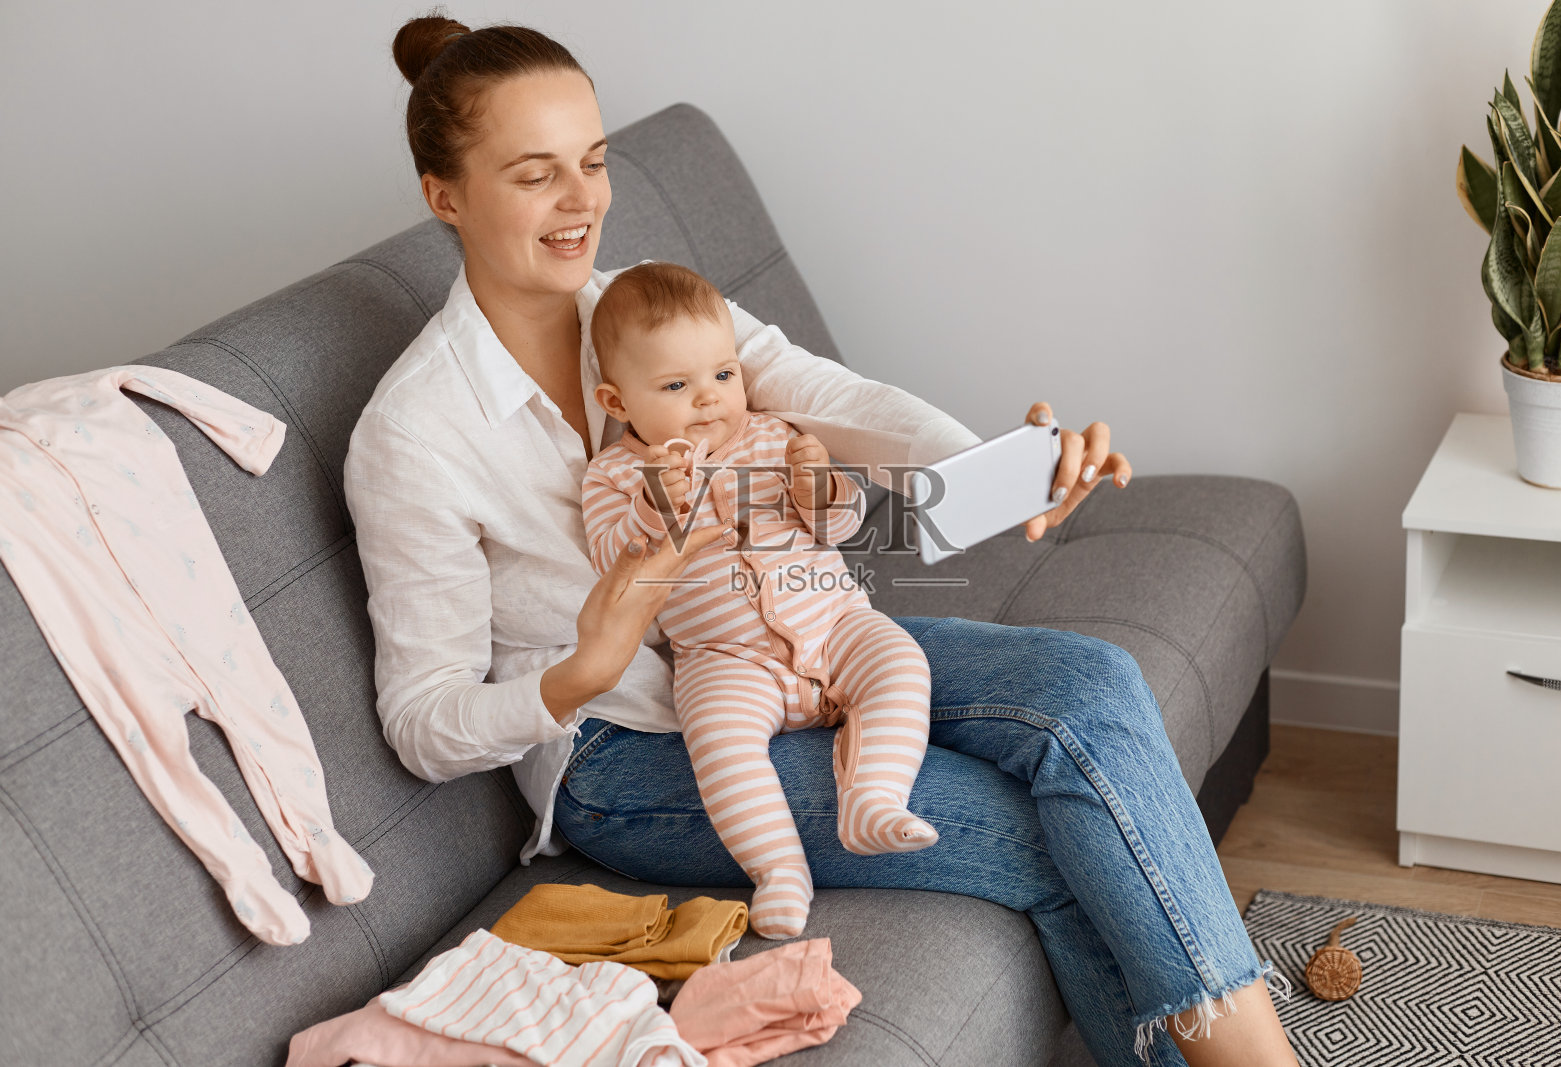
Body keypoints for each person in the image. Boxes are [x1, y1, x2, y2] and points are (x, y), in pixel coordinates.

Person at [343, 14, 1300, 1067]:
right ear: (445, 196)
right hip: (630, 752)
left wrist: (1005, 472)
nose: (583, 202)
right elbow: (422, 722)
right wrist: (583, 669)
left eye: (595, 161)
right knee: (1045, 832)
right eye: (537, 175)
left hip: (799, 640)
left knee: (1088, 681)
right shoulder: (414, 434)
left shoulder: (644, 301)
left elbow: (821, 392)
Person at [581, 261, 940, 939]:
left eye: (723, 374)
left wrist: (821, 489)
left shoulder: (774, 437)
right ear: (617, 401)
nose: (711, 398)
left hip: (833, 624)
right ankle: (779, 869)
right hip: (725, 657)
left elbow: (839, 526)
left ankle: (871, 796)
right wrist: (658, 509)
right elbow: (613, 563)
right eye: (676, 385)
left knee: (902, 663)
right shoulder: (617, 477)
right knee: (719, 744)